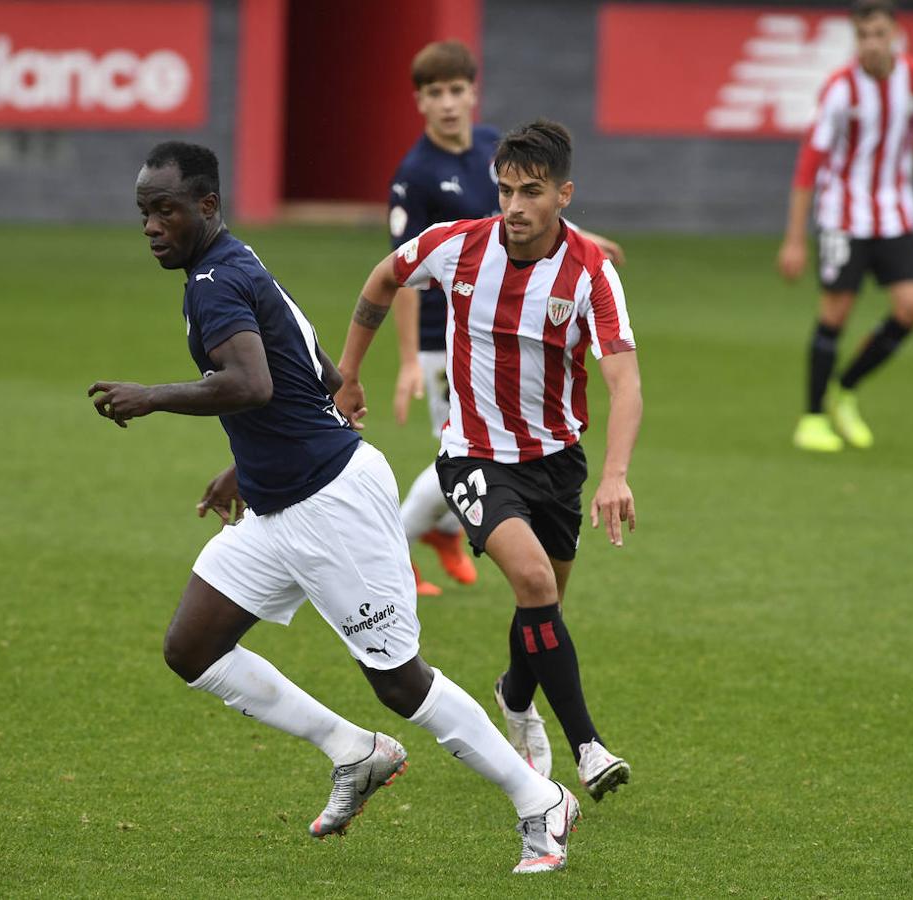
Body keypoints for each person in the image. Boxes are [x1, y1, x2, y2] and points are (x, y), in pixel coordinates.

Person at [87, 141, 579, 874]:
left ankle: (539, 799)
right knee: (191, 647)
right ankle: (353, 750)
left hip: (329, 502)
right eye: (144, 213)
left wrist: (151, 397)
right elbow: (312, 373)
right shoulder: (237, 265)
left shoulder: (215, 283)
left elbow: (251, 383)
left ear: (207, 206)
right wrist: (245, 465)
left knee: (399, 681)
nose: (153, 225)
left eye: (166, 210)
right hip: (280, 504)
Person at [337, 120, 640, 802]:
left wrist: (615, 474)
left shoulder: (592, 273)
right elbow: (384, 278)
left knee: (547, 599)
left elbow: (626, 381)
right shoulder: (457, 246)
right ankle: (588, 748)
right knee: (534, 582)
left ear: (564, 194)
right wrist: (348, 374)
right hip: (473, 456)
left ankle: (513, 691)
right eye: (504, 190)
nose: (514, 206)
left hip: (558, 460)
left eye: (531, 192)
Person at [388, 40, 626, 597]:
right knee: (467, 449)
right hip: (443, 337)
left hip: (505, 330)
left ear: (473, 92)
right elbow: (399, 270)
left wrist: (583, 240)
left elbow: (521, 220)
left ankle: (444, 532)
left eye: (456, 90)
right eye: (434, 93)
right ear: (420, 103)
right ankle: (392, 549)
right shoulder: (416, 174)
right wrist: (405, 361)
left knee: (474, 451)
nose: (448, 103)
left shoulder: (494, 149)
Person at [777, 0, 913, 452]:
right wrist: (795, 238)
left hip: (897, 215)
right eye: (863, 36)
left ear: (895, 34)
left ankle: (845, 388)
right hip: (843, 218)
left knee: (912, 307)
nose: (871, 43)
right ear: (855, 40)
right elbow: (808, 163)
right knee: (835, 314)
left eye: (878, 34)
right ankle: (812, 418)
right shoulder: (840, 89)